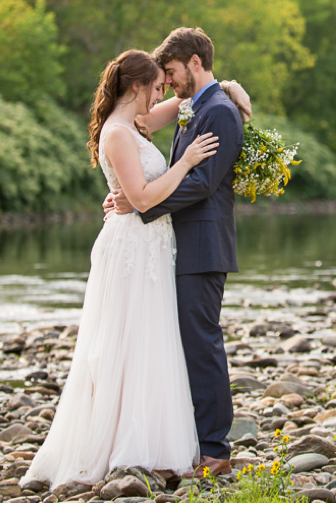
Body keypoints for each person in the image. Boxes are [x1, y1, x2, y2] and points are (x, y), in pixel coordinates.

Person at [21, 49, 249, 490]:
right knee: (128, 342)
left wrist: (227, 88)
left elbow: (191, 102)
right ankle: (122, 443)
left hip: (155, 247)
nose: (163, 91)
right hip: (133, 247)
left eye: (168, 82)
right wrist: (183, 162)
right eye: (158, 85)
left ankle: (160, 442)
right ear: (137, 86)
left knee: (153, 341)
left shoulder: (139, 122)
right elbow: (142, 198)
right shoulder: (120, 133)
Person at [105, 27, 245, 479]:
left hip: (203, 246)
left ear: (195, 62)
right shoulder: (198, 106)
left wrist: (141, 202)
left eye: (172, 71)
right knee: (182, 346)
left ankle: (215, 450)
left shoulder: (219, 113)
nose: (169, 82)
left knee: (202, 347)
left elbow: (204, 183)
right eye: (162, 75)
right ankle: (186, 441)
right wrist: (135, 194)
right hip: (177, 246)